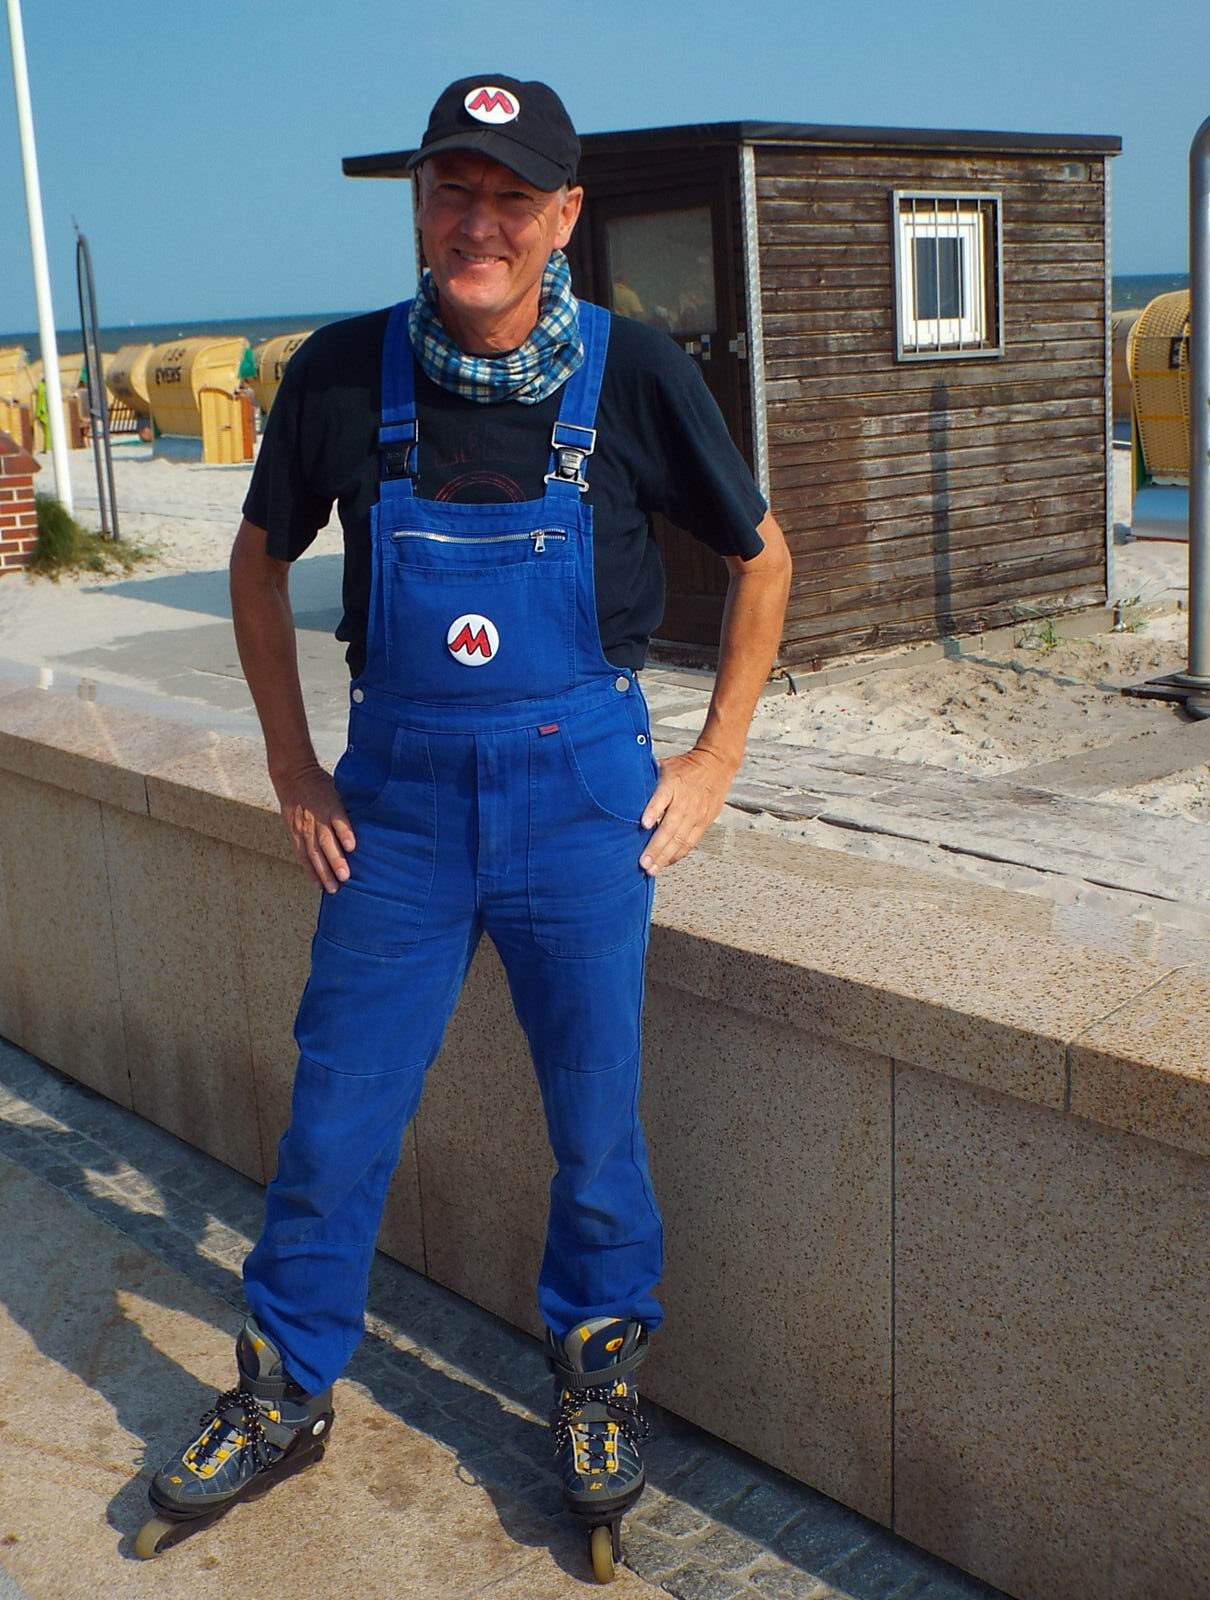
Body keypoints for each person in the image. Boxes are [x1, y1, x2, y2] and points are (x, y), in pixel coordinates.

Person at [137, 73, 791, 1573]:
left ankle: (597, 1376)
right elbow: (255, 563)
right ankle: (286, 1387)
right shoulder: (339, 373)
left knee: (594, 1117)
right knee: (335, 1113)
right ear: (420, 203)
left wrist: (714, 759)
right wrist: (294, 767)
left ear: (564, 218)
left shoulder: (632, 372)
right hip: (400, 813)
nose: (476, 222)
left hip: (581, 801)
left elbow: (764, 562)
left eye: (511, 197)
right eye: (452, 189)